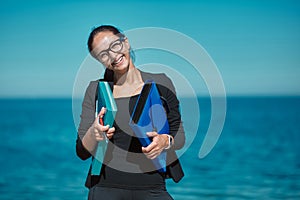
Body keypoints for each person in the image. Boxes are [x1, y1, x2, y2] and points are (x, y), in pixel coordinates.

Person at [76, 25, 185, 200]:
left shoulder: (162, 82)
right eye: (103, 54)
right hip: (105, 188)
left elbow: (179, 136)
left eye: (114, 46)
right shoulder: (95, 90)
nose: (113, 56)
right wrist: (94, 132)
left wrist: (166, 141)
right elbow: (81, 152)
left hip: (153, 188)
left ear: (125, 42)